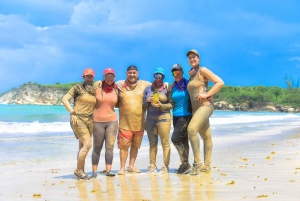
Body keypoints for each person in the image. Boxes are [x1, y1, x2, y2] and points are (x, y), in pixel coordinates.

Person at [186, 49, 224, 175]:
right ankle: (207, 165)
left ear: (199, 59)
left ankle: (197, 164)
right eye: (190, 57)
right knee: (206, 137)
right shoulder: (192, 74)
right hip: (196, 109)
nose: (192, 59)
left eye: (194, 57)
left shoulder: (203, 70)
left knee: (191, 130)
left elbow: (220, 82)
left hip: (205, 106)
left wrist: (206, 94)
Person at [115, 65, 151, 175]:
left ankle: (131, 167)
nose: (132, 75)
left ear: (137, 73)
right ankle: (122, 168)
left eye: (134, 73)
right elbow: (107, 85)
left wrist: (166, 84)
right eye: (130, 73)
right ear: (126, 73)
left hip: (139, 123)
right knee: (124, 146)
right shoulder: (120, 85)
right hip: (125, 123)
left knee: (135, 146)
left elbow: (156, 86)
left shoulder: (145, 84)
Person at [62, 68, 97, 180]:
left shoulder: (94, 90)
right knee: (88, 144)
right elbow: (64, 99)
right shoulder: (77, 88)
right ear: (83, 77)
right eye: (87, 76)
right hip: (78, 119)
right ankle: (78, 170)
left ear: (93, 77)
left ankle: (81, 170)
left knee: (82, 146)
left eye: (91, 76)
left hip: (90, 120)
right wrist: (72, 112)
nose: (89, 78)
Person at [143, 67, 172, 174]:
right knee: (152, 142)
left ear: (163, 77)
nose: (158, 78)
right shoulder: (148, 89)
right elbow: (143, 107)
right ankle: (152, 164)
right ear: (153, 76)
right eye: (156, 75)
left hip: (164, 118)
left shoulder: (167, 88)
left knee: (165, 142)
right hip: (150, 119)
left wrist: (161, 105)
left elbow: (171, 105)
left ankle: (165, 166)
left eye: (160, 76)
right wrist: (147, 101)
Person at [91, 68, 119, 178]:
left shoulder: (117, 88)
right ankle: (94, 171)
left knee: (110, 146)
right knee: (97, 146)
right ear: (104, 77)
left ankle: (108, 170)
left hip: (112, 121)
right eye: (107, 76)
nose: (109, 79)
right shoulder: (96, 87)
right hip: (97, 121)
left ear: (114, 77)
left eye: (111, 76)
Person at [169, 64, 193, 174]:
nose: (177, 75)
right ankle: (185, 165)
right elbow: (170, 101)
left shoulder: (188, 83)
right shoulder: (173, 86)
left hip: (186, 115)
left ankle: (185, 164)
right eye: (174, 73)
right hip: (175, 116)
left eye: (179, 72)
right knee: (183, 141)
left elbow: (199, 88)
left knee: (175, 138)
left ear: (182, 72)